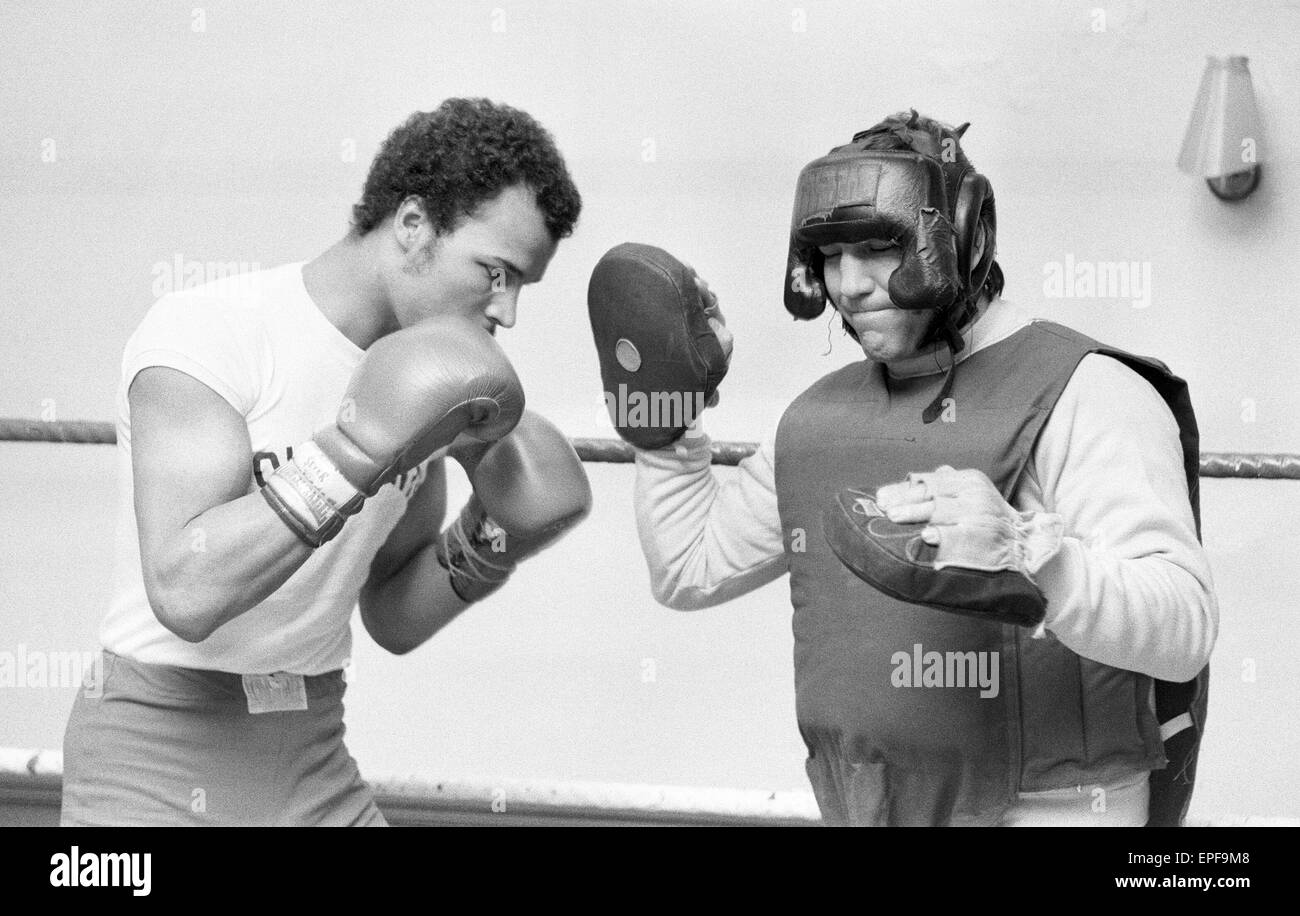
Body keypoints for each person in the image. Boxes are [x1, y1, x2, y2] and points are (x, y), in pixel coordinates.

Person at [617, 110, 1216, 826]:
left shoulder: (1087, 391)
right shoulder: (817, 420)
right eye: (829, 256)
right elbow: (691, 567)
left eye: (877, 247)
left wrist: (1035, 557)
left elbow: (1185, 628)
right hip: (865, 805)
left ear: (960, 236)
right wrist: (667, 423)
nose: (849, 284)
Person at [61, 98, 591, 826]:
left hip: (310, 753)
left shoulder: (425, 384)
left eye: (523, 284)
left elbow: (392, 614)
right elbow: (186, 592)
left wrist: (493, 541)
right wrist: (351, 454)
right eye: (495, 272)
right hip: (154, 754)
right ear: (413, 227)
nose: (508, 312)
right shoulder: (213, 332)